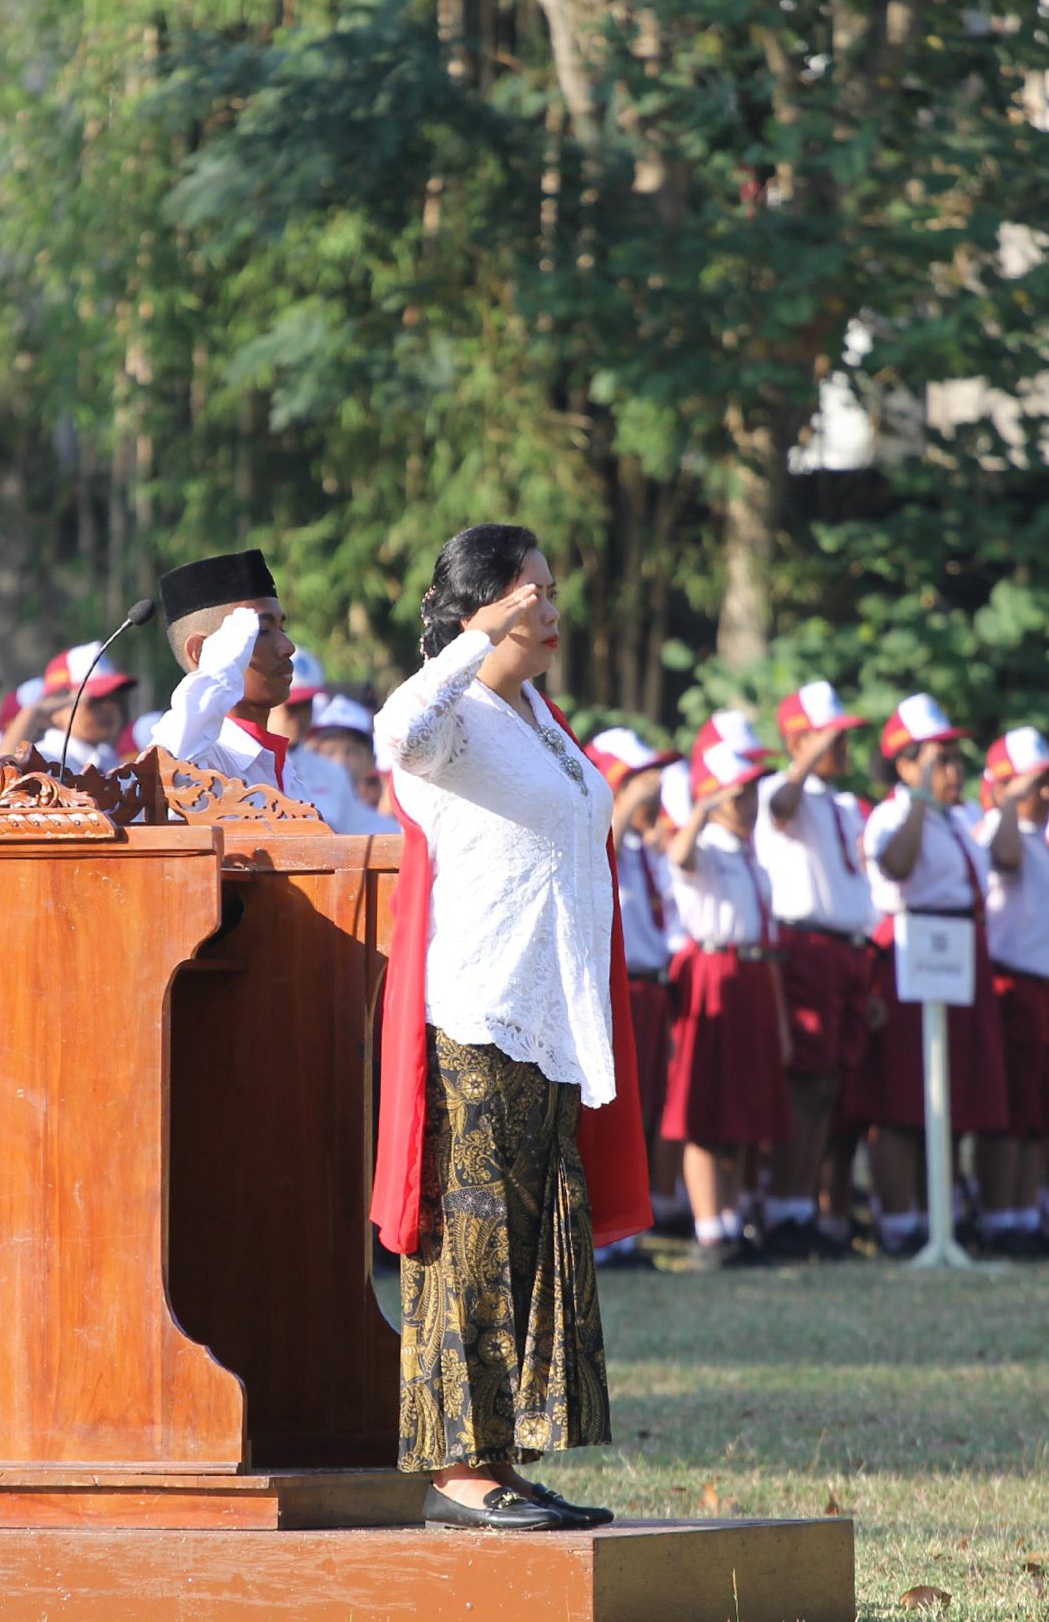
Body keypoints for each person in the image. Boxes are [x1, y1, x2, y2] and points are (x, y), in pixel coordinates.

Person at [369, 522, 647, 1533]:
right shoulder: (452, 723)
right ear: (485, 600)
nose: (550, 601)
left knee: (532, 1239)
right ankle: (455, 1465)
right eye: (532, 586)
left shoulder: (537, 715)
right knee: (474, 1240)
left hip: (551, 1012)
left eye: (549, 583)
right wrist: (471, 634)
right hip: (478, 1012)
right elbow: (391, 733)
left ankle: (505, 1456)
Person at [852, 695, 1012, 1259]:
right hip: (912, 949)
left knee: (951, 1091)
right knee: (903, 1098)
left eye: (952, 757)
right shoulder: (895, 814)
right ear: (906, 763)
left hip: (959, 949)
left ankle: (938, 1212)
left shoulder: (959, 818)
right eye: (937, 758)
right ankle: (901, 1220)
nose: (952, 769)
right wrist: (918, 796)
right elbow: (895, 866)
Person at [661, 719, 791, 1271]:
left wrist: (781, 1021)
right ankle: (709, 1228)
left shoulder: (750, 855)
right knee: (708, 1111)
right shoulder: (708, 847)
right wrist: (704, 807)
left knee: (745, 1111)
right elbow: (680, 858)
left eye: (753, 795)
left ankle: (735, 1220)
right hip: (716, 973)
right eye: (740, 796)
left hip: (756, 977)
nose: (751, 806)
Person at [752, 685, 872, 1263]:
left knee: (829, 1087)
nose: (844, 744)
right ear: (800, 740)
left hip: (846, 949)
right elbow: (779, 807)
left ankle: (806, 1204)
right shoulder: (782, 789)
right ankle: (783, 1207)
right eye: (833, 735)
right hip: (806, 946)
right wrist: (802, 757)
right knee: (802, 1083)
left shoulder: (843, 804)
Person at [976, 728, 1049, 1255]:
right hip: (1014, 985)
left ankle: (1023, 1212)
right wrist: (1008, 801)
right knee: (1010, 1112)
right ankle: (1001, 1216)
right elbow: (1003, 857)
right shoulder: (1002, 833)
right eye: (1037, 785)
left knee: (1036, 1114)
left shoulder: (1042, 842)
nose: (1048, 794)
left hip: (1047, 989)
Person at [585, 728, 682, 1261]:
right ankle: (601, 1235)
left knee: (646, 1111)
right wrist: (623, 805)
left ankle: (628, 1232)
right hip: (610, 984)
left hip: (651, 988)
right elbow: (602, 854)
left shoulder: (647, 846)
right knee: (609, 1107)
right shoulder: (605, 833)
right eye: (639, 779)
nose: (655, 790)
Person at [142, 549, 322, 805]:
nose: (287, 646)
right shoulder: (202, 760)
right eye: (260, 631)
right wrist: (215, 672)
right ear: (202, 652)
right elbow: (160, 773)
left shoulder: (279, 766)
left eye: (282, 628)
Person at [27, 645, 136, 777]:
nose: (110, 707)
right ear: (55, 709)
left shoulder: (109, 759)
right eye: (95, 700)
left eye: (115, 697)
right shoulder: (43, 761)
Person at [303, 695, 402, 835]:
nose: (340, 761)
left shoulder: (388, 832)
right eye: (330, 752)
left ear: (371, 760)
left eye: (351, 752)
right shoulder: (299, 819)